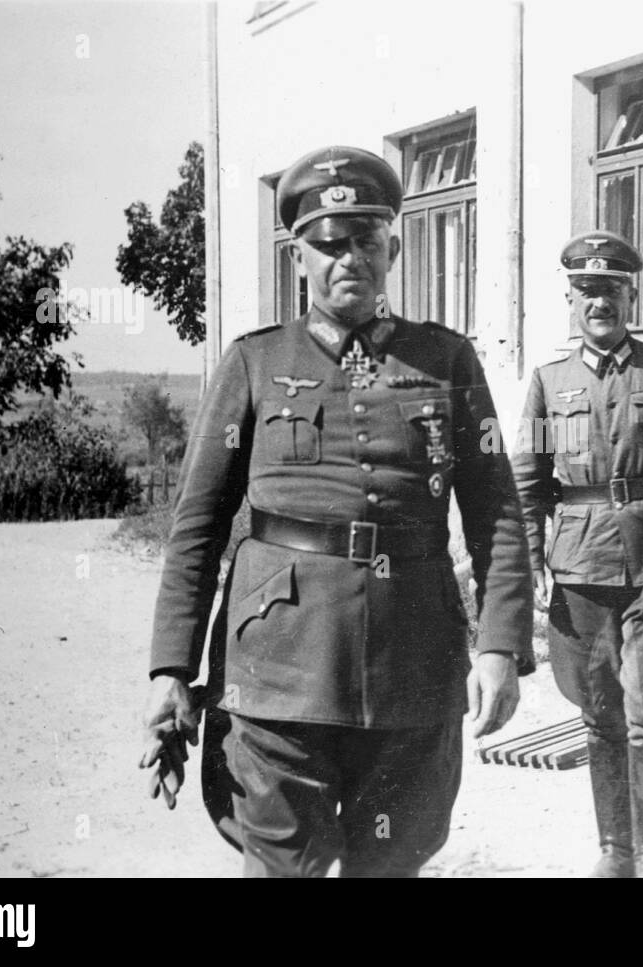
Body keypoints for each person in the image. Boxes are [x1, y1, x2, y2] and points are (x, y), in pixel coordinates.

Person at [138, 145, 534, 877]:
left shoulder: (446, 361)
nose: (348, 258)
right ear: (299, 256)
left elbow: (497, 515)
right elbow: (196, 523)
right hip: (279, 665)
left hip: (414, 664)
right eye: (328, 245)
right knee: (290, 866)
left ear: (392, 245)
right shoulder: (254, 363)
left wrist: (500, 647)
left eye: (366, 241)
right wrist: (172, 668)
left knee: (393, 861)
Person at [511, 230, 643, 877]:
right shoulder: (549, 382)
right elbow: (528, 488)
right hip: (581, 566)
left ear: (630, 294)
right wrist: (523, 575)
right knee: (600, 712)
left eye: (610, 289)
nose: (598, 301)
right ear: (570, 299)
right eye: (586, 291)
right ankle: (613, 850)